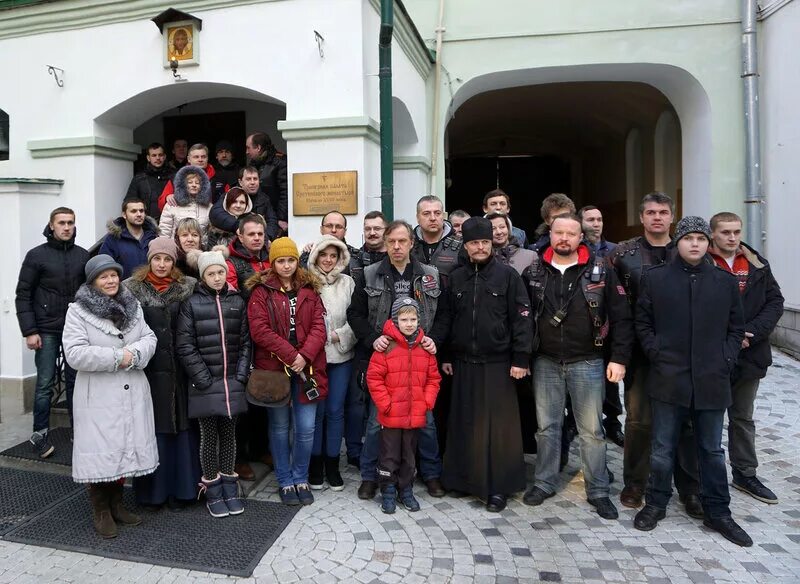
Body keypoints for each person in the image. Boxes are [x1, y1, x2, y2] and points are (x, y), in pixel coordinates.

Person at [634, 216, 752, 547]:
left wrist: (726, 358)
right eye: (689, 238)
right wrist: (656, 352)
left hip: (712, 379)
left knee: (711, 450)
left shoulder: (724, 282)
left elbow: (735, 327)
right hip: (669, 377)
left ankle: (719, 512)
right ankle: (656, 504)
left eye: (701, 238)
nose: (695, 244)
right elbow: (642, 322)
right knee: (662, 448)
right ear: (678, 242)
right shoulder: (656, 279)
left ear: (708, 243)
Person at [522, 213, 633, 520]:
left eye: (572, 233)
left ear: (581, 237)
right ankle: (544, 483)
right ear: (551, 233)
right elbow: (521, 316)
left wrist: (619, 358)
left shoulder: (601, 270)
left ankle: (598, 490)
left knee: (592, 431)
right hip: (545, 361)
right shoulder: (533, 270)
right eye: (560, 233)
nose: (565, 239)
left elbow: (622, 317)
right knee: (546, 429)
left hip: (588, 360)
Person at [610, 192, 700, 515]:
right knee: (639, 421)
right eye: (651, 212)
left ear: (672, 216)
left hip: (682, 354)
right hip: (639, 352)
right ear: (642, 216)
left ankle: (689, 487)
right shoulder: (624, 255)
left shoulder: (689, 251)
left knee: (686, 421)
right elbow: (615, 306)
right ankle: (636, 482)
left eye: (663, 211)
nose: (657, 217)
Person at [347, 220, 449, 501]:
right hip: (383, 358)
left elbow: (444, 314)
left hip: (418, 358)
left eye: (402, 241)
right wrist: (371, 339)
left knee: (425, 423)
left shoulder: (430, 275)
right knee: (375, 421)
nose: (396, 246)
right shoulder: (369, 275)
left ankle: (431, 475)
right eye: (391, 241)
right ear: (385, 243)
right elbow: (354, 314)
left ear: (411, 243)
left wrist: (435, 340)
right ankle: (370, 477)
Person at [62, 254, 158, 538]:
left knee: (123, 448)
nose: (111, 280)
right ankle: (100, 510)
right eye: (103, 276)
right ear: (93, 282)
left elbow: (149, 337)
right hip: (98, 395)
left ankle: (117, 504)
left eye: (114, 275)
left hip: (130, 390)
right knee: (101, 452)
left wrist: (136, 354)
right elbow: (75, 353)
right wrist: (119, 357)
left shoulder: (133, 306)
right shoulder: (78, 312)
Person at [440, 217, 532, 512]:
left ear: (492, 243)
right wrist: (445, 355)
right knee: (464, 423)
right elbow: (446, 318)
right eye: (473, 243)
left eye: (484, 242)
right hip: (463, 361)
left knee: (498, 431)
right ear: (465, 246)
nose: (479, 248)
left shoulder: (507, 276)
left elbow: (521, 319)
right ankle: (461, 480)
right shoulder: (454, 278)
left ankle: (499, 488)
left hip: (498, 363)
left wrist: (521, 358)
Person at [708, 212, 784, 504]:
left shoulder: (757, 264)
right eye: (725, 232)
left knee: (742, 418)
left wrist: (750, 332)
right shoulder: (701, 263)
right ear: (713, 234)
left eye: (736, 231)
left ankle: (745, 473)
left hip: (750, 354)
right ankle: (705, 474)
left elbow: (775, 302)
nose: (732, 237)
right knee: (707, 418)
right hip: (713, 357)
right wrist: (728, 337)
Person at [247, 237, 328, 506]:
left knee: (305, 428)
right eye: (280, 261)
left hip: (308, 369)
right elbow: (259, 330)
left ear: (297, 261)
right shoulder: (261, 291)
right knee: (280, 427)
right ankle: (284, 480)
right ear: (272, 263)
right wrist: (291, 354)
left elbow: (319, 326)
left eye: (290, 260)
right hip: (274, 370)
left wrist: (304, 356)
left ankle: (300, 476)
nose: (286, 265)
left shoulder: (309, 288)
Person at [124, 237, 201, 510]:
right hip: (149, 372)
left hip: (180, 371)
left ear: (174, 262)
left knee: (182, 429)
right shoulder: (132, 290)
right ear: (149, 260)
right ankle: (153, 493)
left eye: (167, 259)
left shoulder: (187, 288)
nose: (162, 264)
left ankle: (183, 491)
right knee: (153, 429)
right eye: (157, 258)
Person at [175, 249, 251, 518]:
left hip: (231, 382)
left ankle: (230, 487)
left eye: (220, 272)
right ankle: (213, 489)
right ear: (202, 276)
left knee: (229, 435)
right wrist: (203, 378)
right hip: (205, 384)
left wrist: (241, 375)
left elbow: (245, 342)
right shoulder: (192, 303)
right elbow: (185, 345)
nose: (217, 278)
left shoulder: (237, 302)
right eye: (211, 273)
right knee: (209, 437)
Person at [15, 207, 89, 458]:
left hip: (74, 329)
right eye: (61, 223)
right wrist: (30, 330)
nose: (66, 227)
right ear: (52, 225)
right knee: (45, 383)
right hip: (45, 329)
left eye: (70, 223)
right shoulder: (36, 255)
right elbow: (23, 294)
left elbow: (89, 293)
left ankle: (79, 430)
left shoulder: (82, 256)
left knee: (76, 382)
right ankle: (40, 433)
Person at [367, 297, 441, 514]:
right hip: (391, 414)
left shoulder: (425, 348)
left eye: (413, 319)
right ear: (395, 320)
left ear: (419, 320)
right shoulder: (385, 347)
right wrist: (385, 404)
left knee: (409, 455)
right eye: (404, 319)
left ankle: (406, 489)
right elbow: (374, 378)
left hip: (415, 414)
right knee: (389, 454)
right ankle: (388, 490)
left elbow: (433, 379)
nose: (409, 324)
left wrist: (427, 402)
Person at [307, 235, 357, 491]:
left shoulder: (348, 283)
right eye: (323, 255)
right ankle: (315, 464)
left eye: (333, 256)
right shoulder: (306, 281)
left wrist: (339, 335)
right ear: (315, 256)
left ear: (340, 259)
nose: (327, 260)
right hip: (313, 359)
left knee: (336, 411)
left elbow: (357, 315)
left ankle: (332, 464)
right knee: (317, 412)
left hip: (340, 356)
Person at [487, 211, 539, 454]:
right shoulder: (480, 259)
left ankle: (525, 446)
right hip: (494, 340)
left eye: (502, 227)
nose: (498, 231)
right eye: (493, 228)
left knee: (523, 398)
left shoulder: (529, 257)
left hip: (520, 334)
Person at [344, 211, 389, 468]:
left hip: (389, 341)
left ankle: (383, 449)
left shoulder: (396, 259)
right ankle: (354, 451)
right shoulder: (353, 258)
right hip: (360, 340)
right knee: (357, 400)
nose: (372, 232)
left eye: (377, 228)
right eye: (368, 228)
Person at [578, 205, 624, 448]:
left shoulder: (617, 251)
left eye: (599, 219)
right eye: (590, 219)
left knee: (610, 382)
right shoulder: (577, 250)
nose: (596, 224)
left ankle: (613, 423)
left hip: (610, 327)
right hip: (584, 329)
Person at [99, 198, 159, 279]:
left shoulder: (153, 237)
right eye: (133, 211)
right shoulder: (113, 239)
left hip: (150, 288)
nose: (139, 214)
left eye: (141, 211)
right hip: (124, 289)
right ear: (124, 215)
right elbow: (104, 267)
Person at [246, 131, 288, 233]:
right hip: (257, 218)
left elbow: (285, 192)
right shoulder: (253, 164)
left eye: (248, 148)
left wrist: (280, 219)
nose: (247, 152)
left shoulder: (280, 162)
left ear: (258, 148)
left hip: (276, 220)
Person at [411, 195, 462, 276]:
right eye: (426, 214)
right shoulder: (409, 245)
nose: (432, 218)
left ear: (443, 216)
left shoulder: (461, 245)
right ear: (417, 218)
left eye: (437, 213)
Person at [159, 165, 212, 240]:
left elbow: (211, 233)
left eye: (197, 183)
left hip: (201, 249)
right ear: (183, 185)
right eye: (190, 182)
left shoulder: (209, 207)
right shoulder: (172, 204)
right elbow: (164, 231)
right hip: (176, 249)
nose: (194, 185)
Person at [159, 144, 218, 210]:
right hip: (183, 218)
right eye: (196, 157)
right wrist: (167, 197)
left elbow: (227, 203)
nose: (200, 159)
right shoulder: (177, 178)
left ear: (207, 158)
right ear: (188, 159)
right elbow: (161, 203)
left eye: (203, 157)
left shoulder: (219, 178)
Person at [125, 142, 174, 221]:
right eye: (154, 155)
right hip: (146, 223)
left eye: (160, 155)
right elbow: (129, 202)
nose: (157, 158)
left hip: (170, 222)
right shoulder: (139, 178)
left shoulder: (174, 176)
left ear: (164, 157)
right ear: (148, 158)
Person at [225, 212, 271, 296]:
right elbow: (231, 300)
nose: (257, 238)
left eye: (260, 234)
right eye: (251, 234)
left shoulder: (273, 258)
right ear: (241, 237)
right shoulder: (230, 264)